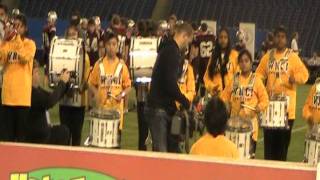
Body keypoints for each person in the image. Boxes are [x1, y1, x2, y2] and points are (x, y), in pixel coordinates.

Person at [256, 26, 309, 161]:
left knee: (282, 149)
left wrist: (294, 79)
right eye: (277, 36)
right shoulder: (268, 57)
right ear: (273, 38)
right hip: (270, 109)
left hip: (287, 111)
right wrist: (261, 84)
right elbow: (258, 75)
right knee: (269, 149)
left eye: (283, 37)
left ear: (286, 40)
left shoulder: (292, 57)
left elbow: (305, 74)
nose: (280, 39)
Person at [144, 23, 193, 152]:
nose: (187, 46)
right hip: (158, 108)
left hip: (159, 106)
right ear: (184, 36)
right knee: (162, 155)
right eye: (188, 41)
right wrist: (185, 101)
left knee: (169, 151)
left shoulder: (167, 48)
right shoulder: (173, 52)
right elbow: (170, 84)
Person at [220, 49, 269, 157]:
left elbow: (265, 100)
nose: (244, 63)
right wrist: (226, 104)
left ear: (251, 63)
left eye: (246, 61)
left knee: (248, 160)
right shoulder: (234, 80)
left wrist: (259, 107)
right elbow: (224, 96)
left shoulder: (256, 80)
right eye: (241, 61)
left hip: (250, 128)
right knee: (232, 159)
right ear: (238, 64)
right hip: (233, 126)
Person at [88, 32, 131, 143]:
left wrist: (121, 95)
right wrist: (96, 92)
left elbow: (128, 86)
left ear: (117, 46)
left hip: (117, 114)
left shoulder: (122, 65)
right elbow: (90, 83)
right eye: (109, 44)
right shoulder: (99, 64)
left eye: (114, 44)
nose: (111, 47)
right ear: (105, 46)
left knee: (115, 147)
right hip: (101, 112)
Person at [0, 14, 36, 141]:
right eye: (14, 25)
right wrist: (4, 40)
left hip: (22, 99)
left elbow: (25, 58)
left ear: (25, 28)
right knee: (6, 139)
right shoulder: (8, 43)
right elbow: (1, 59)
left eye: (18, 26)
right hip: (7, 98)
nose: (15, 28)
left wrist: (17, 39)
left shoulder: (30, 44)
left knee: (21, 140)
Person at [59, 25, 90, 146]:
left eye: (74, 35)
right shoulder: (61, 54)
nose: (72, 38)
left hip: (79, 102)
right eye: (70, 35)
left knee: (76, 136)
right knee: (64, 135)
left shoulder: (85, 57)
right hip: (64, 101)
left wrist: (79, 87)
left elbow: (87, 79)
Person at [26, 61, 70, 145]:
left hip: (41, 132)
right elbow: (50, 101)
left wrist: (65, 85)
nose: (38, 75)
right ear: (29, 75)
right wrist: (62, 83)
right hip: (37, 136)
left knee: (63, 130)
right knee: (63, 131)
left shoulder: (36, 89)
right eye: (36, 72)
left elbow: (52, 96)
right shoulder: (31, 92)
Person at [203, 28, 239, 97]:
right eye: (221, 37)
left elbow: (238, 76)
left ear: (228, 39)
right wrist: (212, 87)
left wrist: (233, 92)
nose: (223, 40)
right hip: (216, 96)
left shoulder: (235, 55)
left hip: (230, 96)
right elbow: (206, 77)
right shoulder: (213, 56)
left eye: (225, 37)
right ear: (217, 40)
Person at [194, 23, 215, 93]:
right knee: (210, 80)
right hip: (210, 62)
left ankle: (201, 96)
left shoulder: (198, 38)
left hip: (201, 62)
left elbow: (195, 52)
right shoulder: (212, 37)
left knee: (201, 80)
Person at [42, 11, 57, 79]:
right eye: (54, 20)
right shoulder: (52, 28)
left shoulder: (45, 28)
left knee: (46, 65)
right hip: (49, 49)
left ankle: (46, 78)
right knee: (49, 66)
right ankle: (48, 79)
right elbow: (52, 40)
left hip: (45, 48)